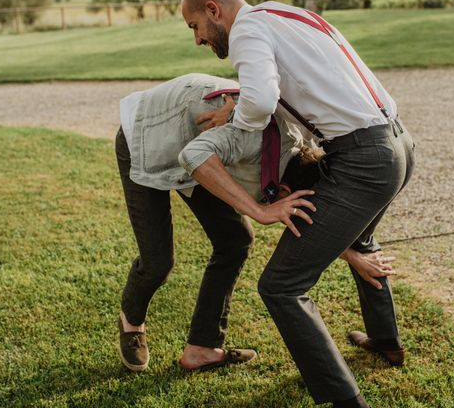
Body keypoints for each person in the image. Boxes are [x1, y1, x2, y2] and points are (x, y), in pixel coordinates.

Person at [180, 0, 415, 408]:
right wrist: (243, 101)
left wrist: (237, 119)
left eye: (194, 25)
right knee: (358, 239)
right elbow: (291, 87)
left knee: (282, 285)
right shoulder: (285, 13)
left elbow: (263, 102)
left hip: (362, 160)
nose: (196, 39)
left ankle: (343, 399)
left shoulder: (248, 29)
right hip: (398, 144)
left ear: (214, 10)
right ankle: (386, 341)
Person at [116, 73, 399, 374]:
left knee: (234, 240)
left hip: (198, 144)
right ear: (286, 192)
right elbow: (194, 155)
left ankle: (202, 348)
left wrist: (353, 256)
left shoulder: (294, 153)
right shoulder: (250, 138)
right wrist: (259, 211)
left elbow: (302, 216)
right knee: (158, 261)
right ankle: (131, 323)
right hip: (146, 136)